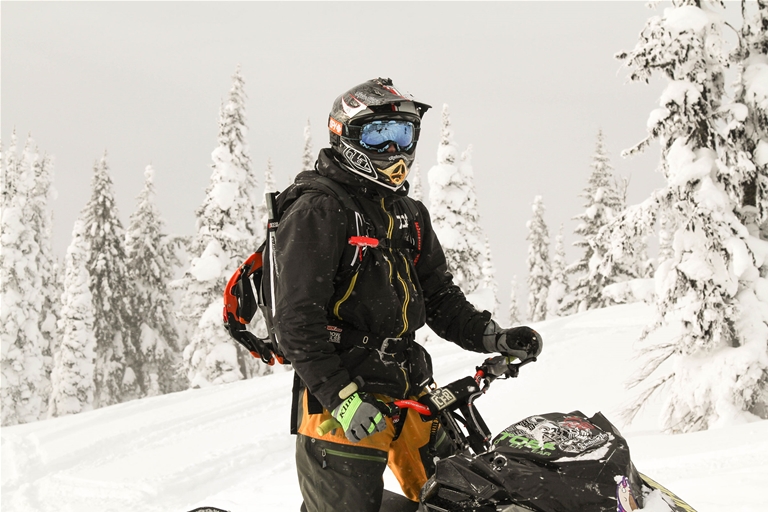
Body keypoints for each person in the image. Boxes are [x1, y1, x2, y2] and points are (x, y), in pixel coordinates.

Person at [272, 77, 542, 512]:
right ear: (348, 136)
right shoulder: (320, 209)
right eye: (380, 135)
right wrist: (341, 397)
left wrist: (493, 337)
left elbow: (440, 298)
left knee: (467, 501)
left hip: (410, 392)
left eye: (404, 135)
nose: (395, 150)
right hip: (341, 402)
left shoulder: (408, 214)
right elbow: (294, 321)